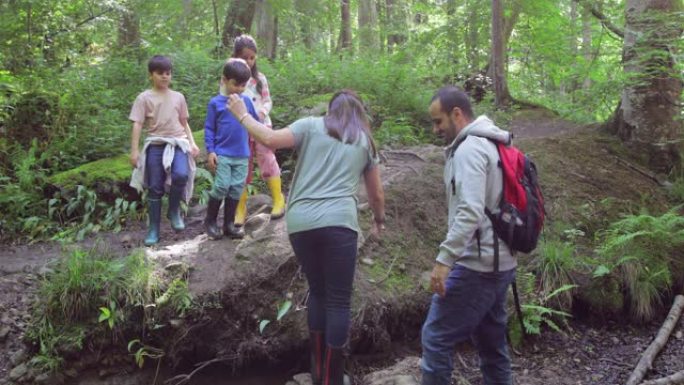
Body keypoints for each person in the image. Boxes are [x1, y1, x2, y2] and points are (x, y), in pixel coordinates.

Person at [227, 89, 385, 385]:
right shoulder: (364, 141)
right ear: (359, 113)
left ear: (331, 110)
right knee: (338, 301)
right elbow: (376, 194)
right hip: (340, 223)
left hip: (300, 223)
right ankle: (332, 378)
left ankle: (317, 372)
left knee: (319, 292)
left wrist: (242, 115)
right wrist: (379, 221)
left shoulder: (311, 125)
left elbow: (270, 139)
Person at [420, 86, 516, 385]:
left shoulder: (470, 149)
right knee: (491, 345)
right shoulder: (491, 142)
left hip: (478, 264)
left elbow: (470, 211)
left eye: (439, 122)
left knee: (435, 336)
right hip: (500, 261)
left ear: (457, 114)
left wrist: (444, 260)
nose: (436, 129)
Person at [129, 55, 200, 246]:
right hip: (155, 144)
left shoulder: (178, 97)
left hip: (178, 143)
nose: (164, 77)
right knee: (155, 187)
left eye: (168, 73)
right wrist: (134, 152)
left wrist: (192, 143)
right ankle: (153, 229)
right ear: (151, 74)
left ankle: (174, 210)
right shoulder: (144, 98)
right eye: (160, 73)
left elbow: (184, 122)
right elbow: (137, 124)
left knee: (180, 175)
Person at [230, 34, 286, 226]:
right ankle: (240, 208)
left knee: (267, 158)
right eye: (244, 57)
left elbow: (268, 100)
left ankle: (278, 198)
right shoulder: (229, 80)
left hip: (262, 126)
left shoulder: (259, 78)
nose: (249, 61)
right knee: (242, 164)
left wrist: (262, 112)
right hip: (240, 128)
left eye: (252, 57)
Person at [203, 58, 259, 240]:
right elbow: (210, 128)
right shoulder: (215, 103)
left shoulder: (247, 102)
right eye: (236, 84)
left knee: (236, 188)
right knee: (221, 186)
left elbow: (255, 124)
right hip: (223, 153)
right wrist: (211, 151)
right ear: (224, 80)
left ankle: (229, 224)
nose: (240, 89)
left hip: (242, 154)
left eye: (244, 85)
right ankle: (210, 222)